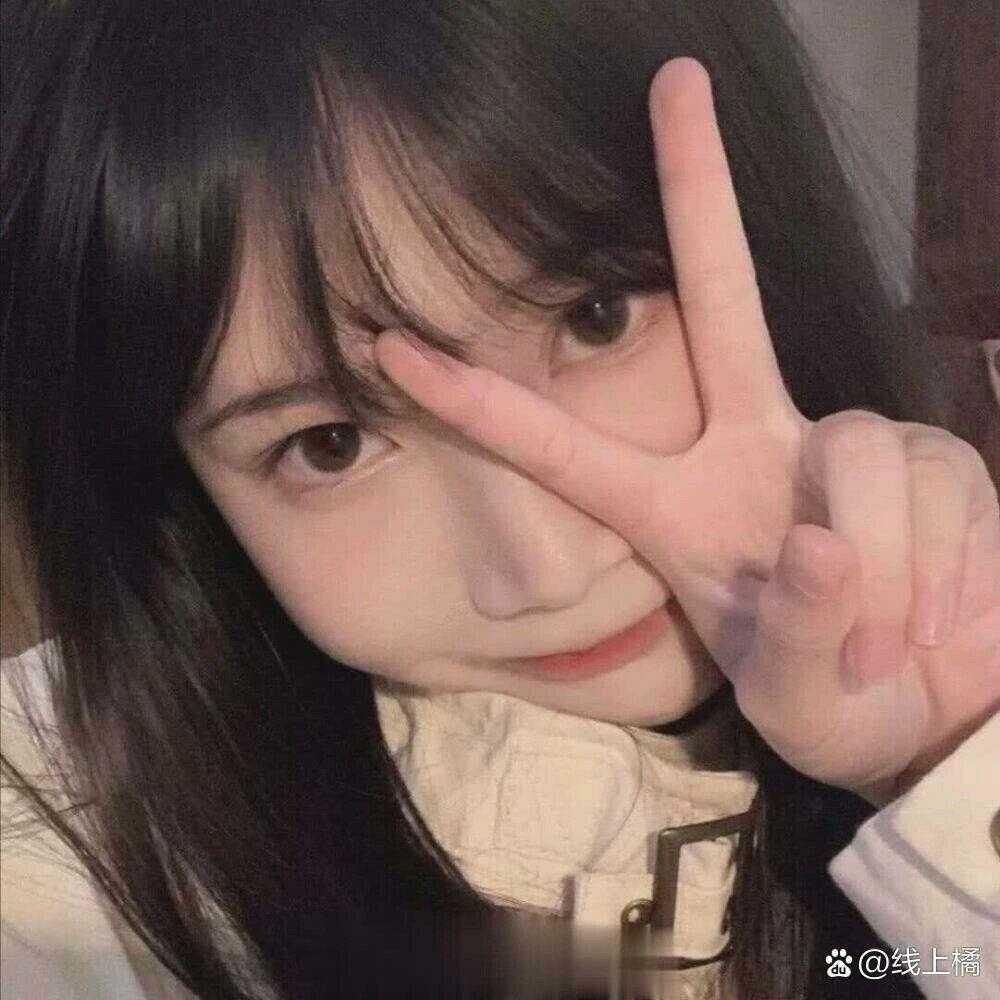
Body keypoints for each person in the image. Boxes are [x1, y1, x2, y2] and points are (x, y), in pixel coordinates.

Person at [1, 2, 997, 998]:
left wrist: (949, 765)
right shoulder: (64, 888)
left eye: (596, 319)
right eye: (330, 443)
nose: (544, 571)